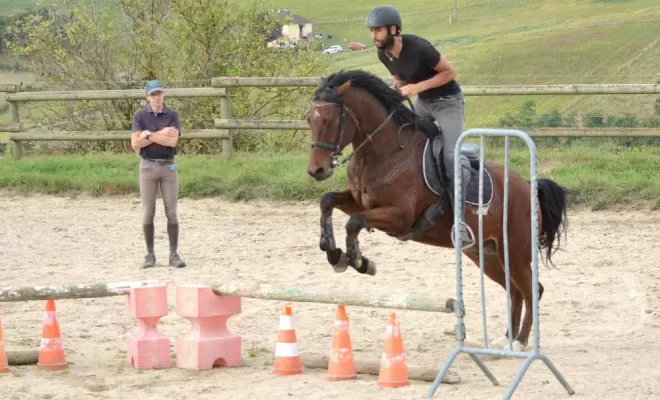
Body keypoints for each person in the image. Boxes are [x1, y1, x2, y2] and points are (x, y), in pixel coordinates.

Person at [366, 5, 475, 250]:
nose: (374, 36)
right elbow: (399, 77)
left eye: (378, 30)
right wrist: (400, 86)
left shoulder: (419, 47)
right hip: (424, 103)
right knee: (403, 143)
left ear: (393, 29)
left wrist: (416, 88)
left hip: (448, 103)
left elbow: (450, 73)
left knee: (449, 156)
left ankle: (461, 220)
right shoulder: (383, 55)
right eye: (372, 31)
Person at [130, 80, 186, 268]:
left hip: (168, 166)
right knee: (148, 211)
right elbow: (135, 144)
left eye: (159, 93)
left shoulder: (172, 115)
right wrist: (161, 133)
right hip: (148, 167)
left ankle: (173, 254)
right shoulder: (140, 115)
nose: (156, 97)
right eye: (153, 94)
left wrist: (148, 134)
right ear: (147, 96)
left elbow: (172, 141)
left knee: (171, 211)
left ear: (164, 95)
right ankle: (150, 254)